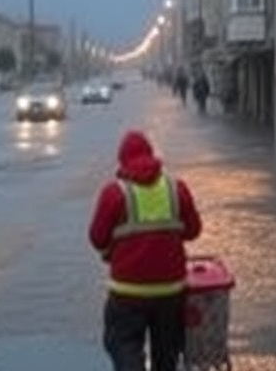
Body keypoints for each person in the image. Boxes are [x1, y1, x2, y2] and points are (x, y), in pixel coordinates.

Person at [89, 130, 202, 371]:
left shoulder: (114, 193)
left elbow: (97, 239)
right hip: (171, 292)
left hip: (127, 293)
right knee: (167, 354)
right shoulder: (177, 189)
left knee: (122, 344)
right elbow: (194, 230)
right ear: (152, 156)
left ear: (122, 162)